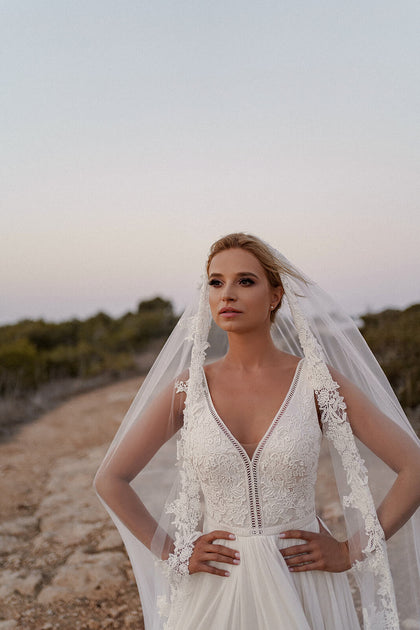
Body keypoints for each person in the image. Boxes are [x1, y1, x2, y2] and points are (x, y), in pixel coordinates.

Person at [94, 232, 420, 630]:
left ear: (275, 296)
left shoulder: (316, 382)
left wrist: (351, 551)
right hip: (216, 586)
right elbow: (110, 479)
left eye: (245, 281)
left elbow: (414, 466)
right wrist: (175, 553)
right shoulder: (189, 387)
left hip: (302, 582)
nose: (227, 293)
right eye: (216, 282)